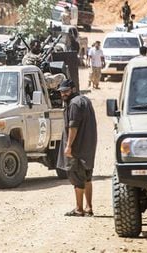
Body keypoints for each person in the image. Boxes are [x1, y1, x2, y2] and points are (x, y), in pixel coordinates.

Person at [56, 79, 97, 217]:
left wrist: (68, 146)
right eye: (61, 92)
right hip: (88, 147)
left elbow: (73, 127)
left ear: (73, 89)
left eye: (66, 91)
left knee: (77, 178)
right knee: (87, 177)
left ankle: (79, 209)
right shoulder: (85, 100)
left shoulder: (74, 104)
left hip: (77, 149)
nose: (63, 94)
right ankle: (88, 207)